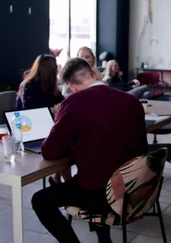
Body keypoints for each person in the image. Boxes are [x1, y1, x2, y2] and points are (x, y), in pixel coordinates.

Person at [31, 58, 148, 243]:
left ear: (71, 87)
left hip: (101, 194)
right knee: (94, 173)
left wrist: (59, 120)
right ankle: (104, 237)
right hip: (135, 187)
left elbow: (49, 151)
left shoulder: (73, 102)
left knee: (40, 200)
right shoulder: (131, 100)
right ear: (95, 74)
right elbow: (142, 147)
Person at [16, 54, 69, 183]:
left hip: (47, 124)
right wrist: (52, 109)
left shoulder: (50, 85)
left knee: (65, 140)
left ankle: (58, 180)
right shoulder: (29, 86)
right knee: (61, 143)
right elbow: (30, 112)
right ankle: (67, 182)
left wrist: (62, 105)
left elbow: (61, 102)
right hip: (28, 127)